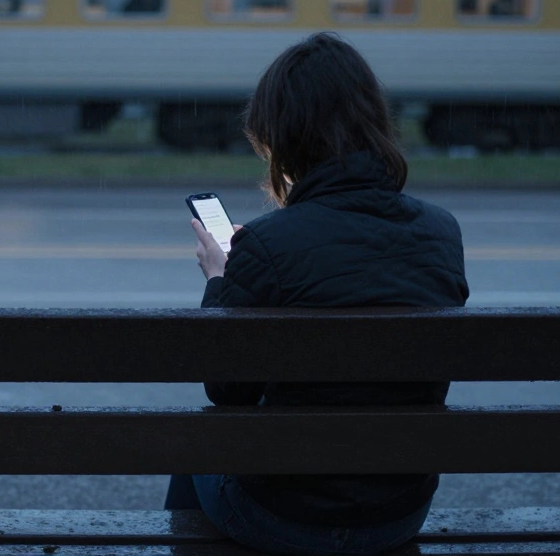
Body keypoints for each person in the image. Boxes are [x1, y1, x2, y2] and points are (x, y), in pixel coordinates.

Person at [167, 32, 469, 556]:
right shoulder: (440, 231)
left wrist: (221, 279)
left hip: (280, 516)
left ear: (282, 134)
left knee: (199, 439)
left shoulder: (266, 244)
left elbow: (227, 391)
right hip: (398, 512)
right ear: (374, 121)